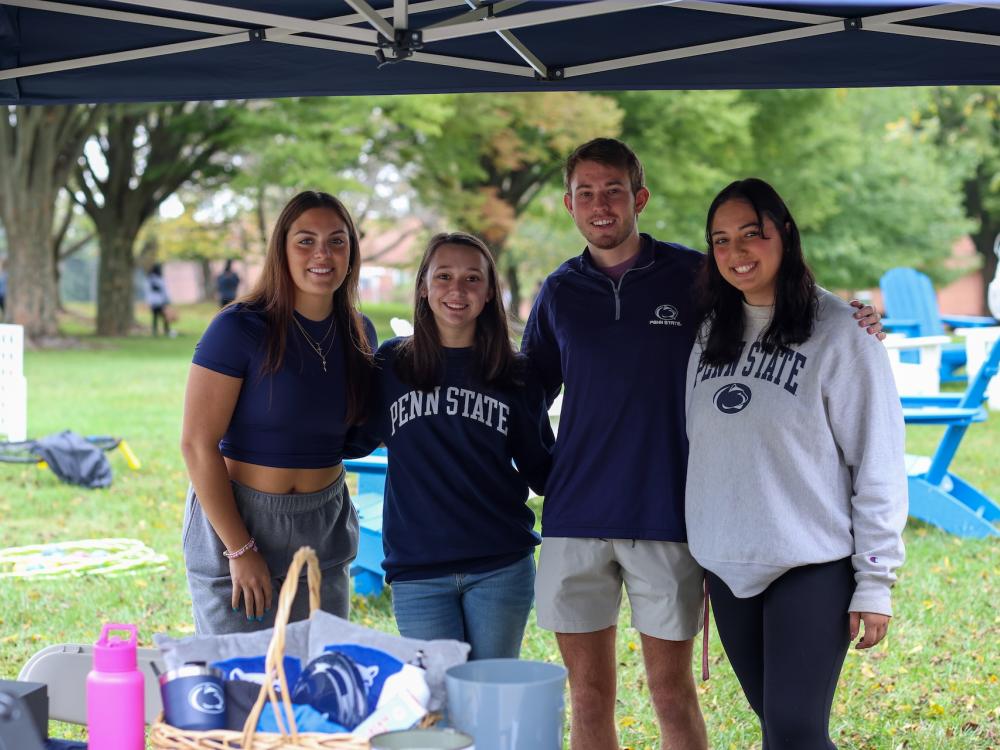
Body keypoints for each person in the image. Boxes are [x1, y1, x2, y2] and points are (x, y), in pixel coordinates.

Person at [521, 138, 884, 750]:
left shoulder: (694, 276)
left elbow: (776, 301)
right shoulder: (559, 291)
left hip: (667, 515)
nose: (600, 204)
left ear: (640, 197)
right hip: (577, 515)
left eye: (614, 189)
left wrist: (856, 318)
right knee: (586, 694)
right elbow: (527, 388)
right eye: (586, 192)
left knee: (672, 691)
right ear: (568, 204)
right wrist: (543, 473)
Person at [685, 178, 907, 749]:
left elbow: (877, 462)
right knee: (781, 730)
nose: (737, 252)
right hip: (728, 568)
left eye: (752, 234)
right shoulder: (711, 332)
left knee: (795, 730)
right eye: (721, 240)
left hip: (810, 563)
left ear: (784, 233)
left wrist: (875, 582)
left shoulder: (842, 332)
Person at [346, 232, 554, 660]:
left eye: (472, 278)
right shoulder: (391, 364)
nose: (457, 290)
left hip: (499, 562)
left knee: (490, 696)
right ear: (423, 285)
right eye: (444, 276)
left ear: (490, 292)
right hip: (418, 568)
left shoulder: (515, 372)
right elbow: (354, 440)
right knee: (436, 703)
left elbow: (542, 470)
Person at [180, 190, 375, 634]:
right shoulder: (238, 327)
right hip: (242, 520)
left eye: (337, 241)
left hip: (323, 523)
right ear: (281, 250)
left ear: (351, 251)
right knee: (242, 688)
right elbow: (196, 444)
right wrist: (239, 549)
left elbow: (356, 430)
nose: (322, 254)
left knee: (318, 680)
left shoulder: (360, 333)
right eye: (305, 241)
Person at [145, 263, 172, 337]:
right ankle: (167, 330)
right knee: (164, 316)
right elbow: (164, 291)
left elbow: (147, 291)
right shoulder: (160, 279)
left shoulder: (149, 279)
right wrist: (168, 300)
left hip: (153, 301)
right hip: (160, 301)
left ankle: (155, 331)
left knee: (155, 317)